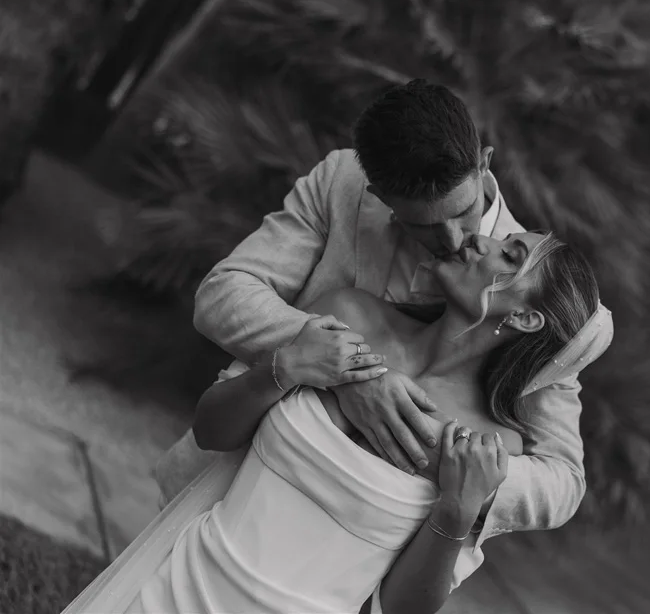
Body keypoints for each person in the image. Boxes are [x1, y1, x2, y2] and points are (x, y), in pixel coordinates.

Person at [62, 231, 613, 613]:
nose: (483, 240)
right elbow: (212, 431)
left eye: (510, 257)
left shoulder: (491, 448)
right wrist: (283, 368)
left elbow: (402, 607)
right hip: (179, 583)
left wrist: (456, 509)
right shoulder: (350, 315)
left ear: (523, 316)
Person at [153, 79, 597, 548]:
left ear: (484, 163)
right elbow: (225, 293)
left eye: (462, 212)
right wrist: (351, 371)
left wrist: (446, 460)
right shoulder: (342, 183)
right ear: (380, 194)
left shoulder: (543, 288)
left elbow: (562, 480)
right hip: (219, 487)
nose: (452, 241)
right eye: (422, 224)